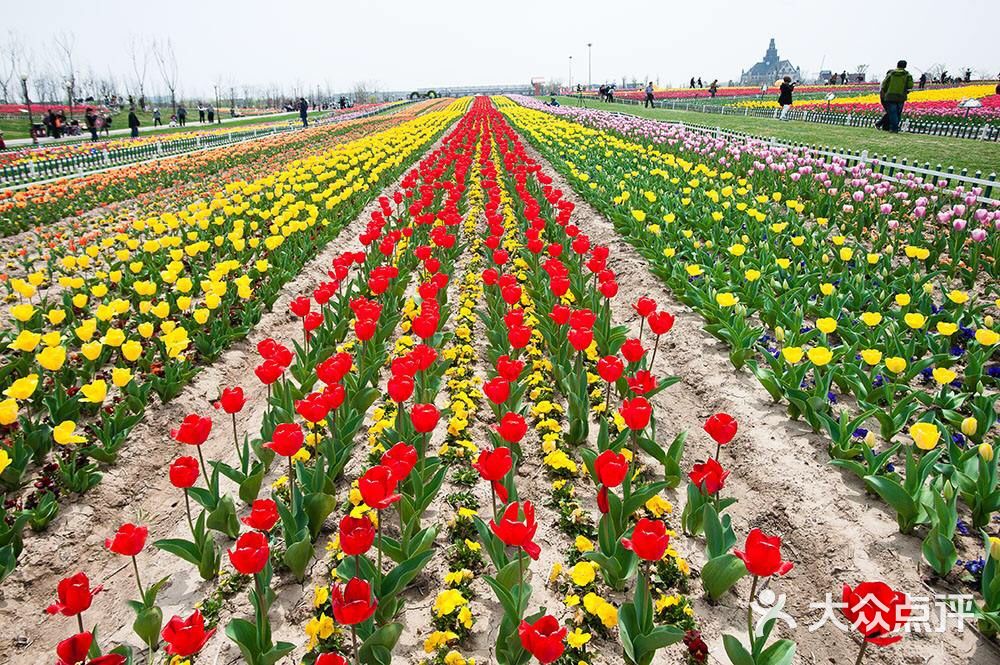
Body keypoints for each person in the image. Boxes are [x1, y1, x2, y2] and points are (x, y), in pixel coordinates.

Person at [880, 60, 914, 133]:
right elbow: (910, 85)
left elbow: (884, 84)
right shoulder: (907, 75)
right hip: (901, 96)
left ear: (897, 65)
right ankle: (895, 127)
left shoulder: (891, 74)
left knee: (892, 113)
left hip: (890, 95)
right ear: (905, 66)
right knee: (898, 112)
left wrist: (886, 91)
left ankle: (894, 128)